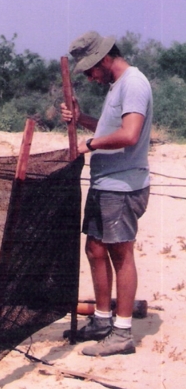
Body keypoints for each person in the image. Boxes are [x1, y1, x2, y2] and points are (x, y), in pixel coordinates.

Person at [61, 31, 152, 356]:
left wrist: (89, 145)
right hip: (104, 184)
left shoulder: (134, 83)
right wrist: (82, 119)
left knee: (120, 254)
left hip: (122, 186)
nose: (89, 77)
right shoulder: (117, 87)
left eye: (89, 70)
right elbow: (110, 127)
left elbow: (129, 135)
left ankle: (122, 332)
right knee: (95, 250)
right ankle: (101, 320)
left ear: (103, 60)